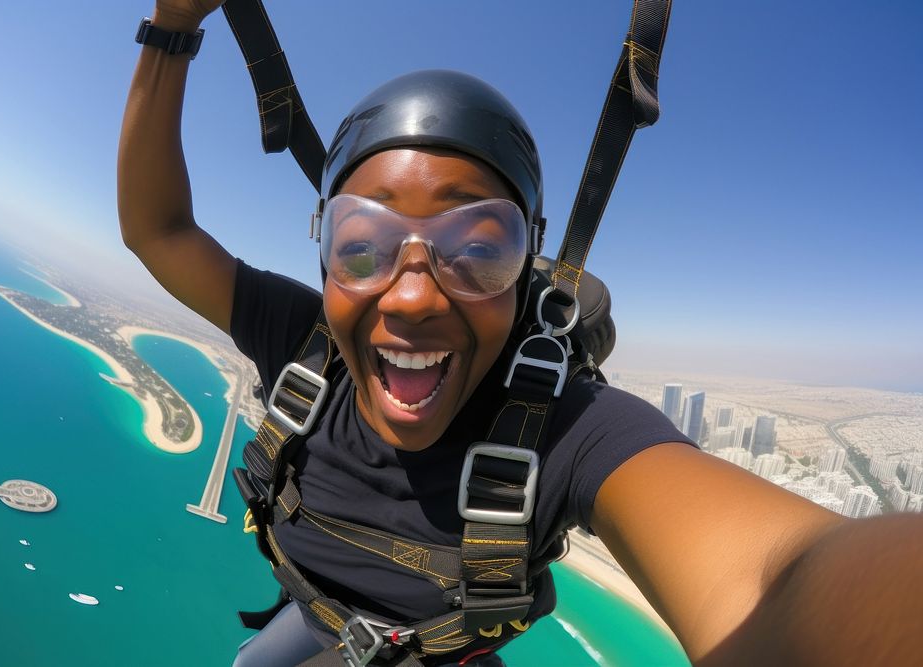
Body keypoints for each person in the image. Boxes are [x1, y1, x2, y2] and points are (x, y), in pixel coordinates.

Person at [118, 2, 923, 666]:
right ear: (322, 249)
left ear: (526, 265)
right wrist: (172, 27)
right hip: (314, 620)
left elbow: (780, 582)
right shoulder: (303, 342)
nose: (410, 297)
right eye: (360, 245)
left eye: (477, 250)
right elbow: (157, 229)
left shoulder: (563, 428)